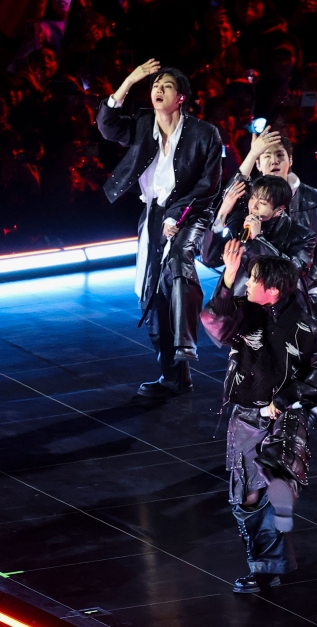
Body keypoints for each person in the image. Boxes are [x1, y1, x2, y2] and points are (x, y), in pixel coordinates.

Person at [201, 251, 317, 594]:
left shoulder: (303, 326)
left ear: (273, 289)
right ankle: (268, 563)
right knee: (247, 497)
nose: (247, 284)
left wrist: (287, 397)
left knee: (270, 489)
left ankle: (265, 568)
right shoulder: (244, 314)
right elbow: (215, 321)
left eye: (253, 278)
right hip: (247, 419)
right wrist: (228, 276)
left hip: (284, 419)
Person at [97, 60, 222, 397]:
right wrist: (129, 81)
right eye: (155, 85)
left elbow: (208, 186)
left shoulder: (204, 134)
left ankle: (186, 344)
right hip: (153, 214)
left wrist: (175, 216)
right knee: (151, 298)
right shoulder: (142, 124)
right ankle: (174, 376)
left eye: (166, 86)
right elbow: (108, 127)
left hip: (191, 213)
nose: (158, 90)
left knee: (177, 267)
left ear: (181, 97)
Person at [231, 129, 317, 336]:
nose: (274, 161)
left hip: (301, 282)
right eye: (266, 156)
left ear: (290, 160)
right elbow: (228, 194)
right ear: (258, 164)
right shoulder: (247, 198)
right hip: (255, 284)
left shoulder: (314, 199)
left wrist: (301, 283)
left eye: (280, 155)